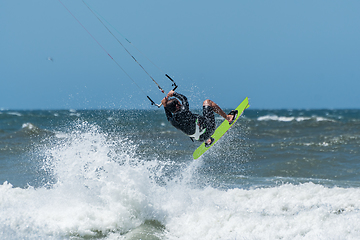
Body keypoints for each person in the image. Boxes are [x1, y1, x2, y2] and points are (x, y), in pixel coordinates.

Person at [161, 90, 237, 147]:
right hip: (210, 129)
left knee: (194, 124)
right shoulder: (184, 111)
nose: (180, 104)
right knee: (207, 102)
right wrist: (174, 93)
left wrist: (165, 105)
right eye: (179, 103)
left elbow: (169, 116)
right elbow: (184, 99)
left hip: (201, 139)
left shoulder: (172, 121)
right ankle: (228, 117)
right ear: (177, 106)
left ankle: (208, 140)